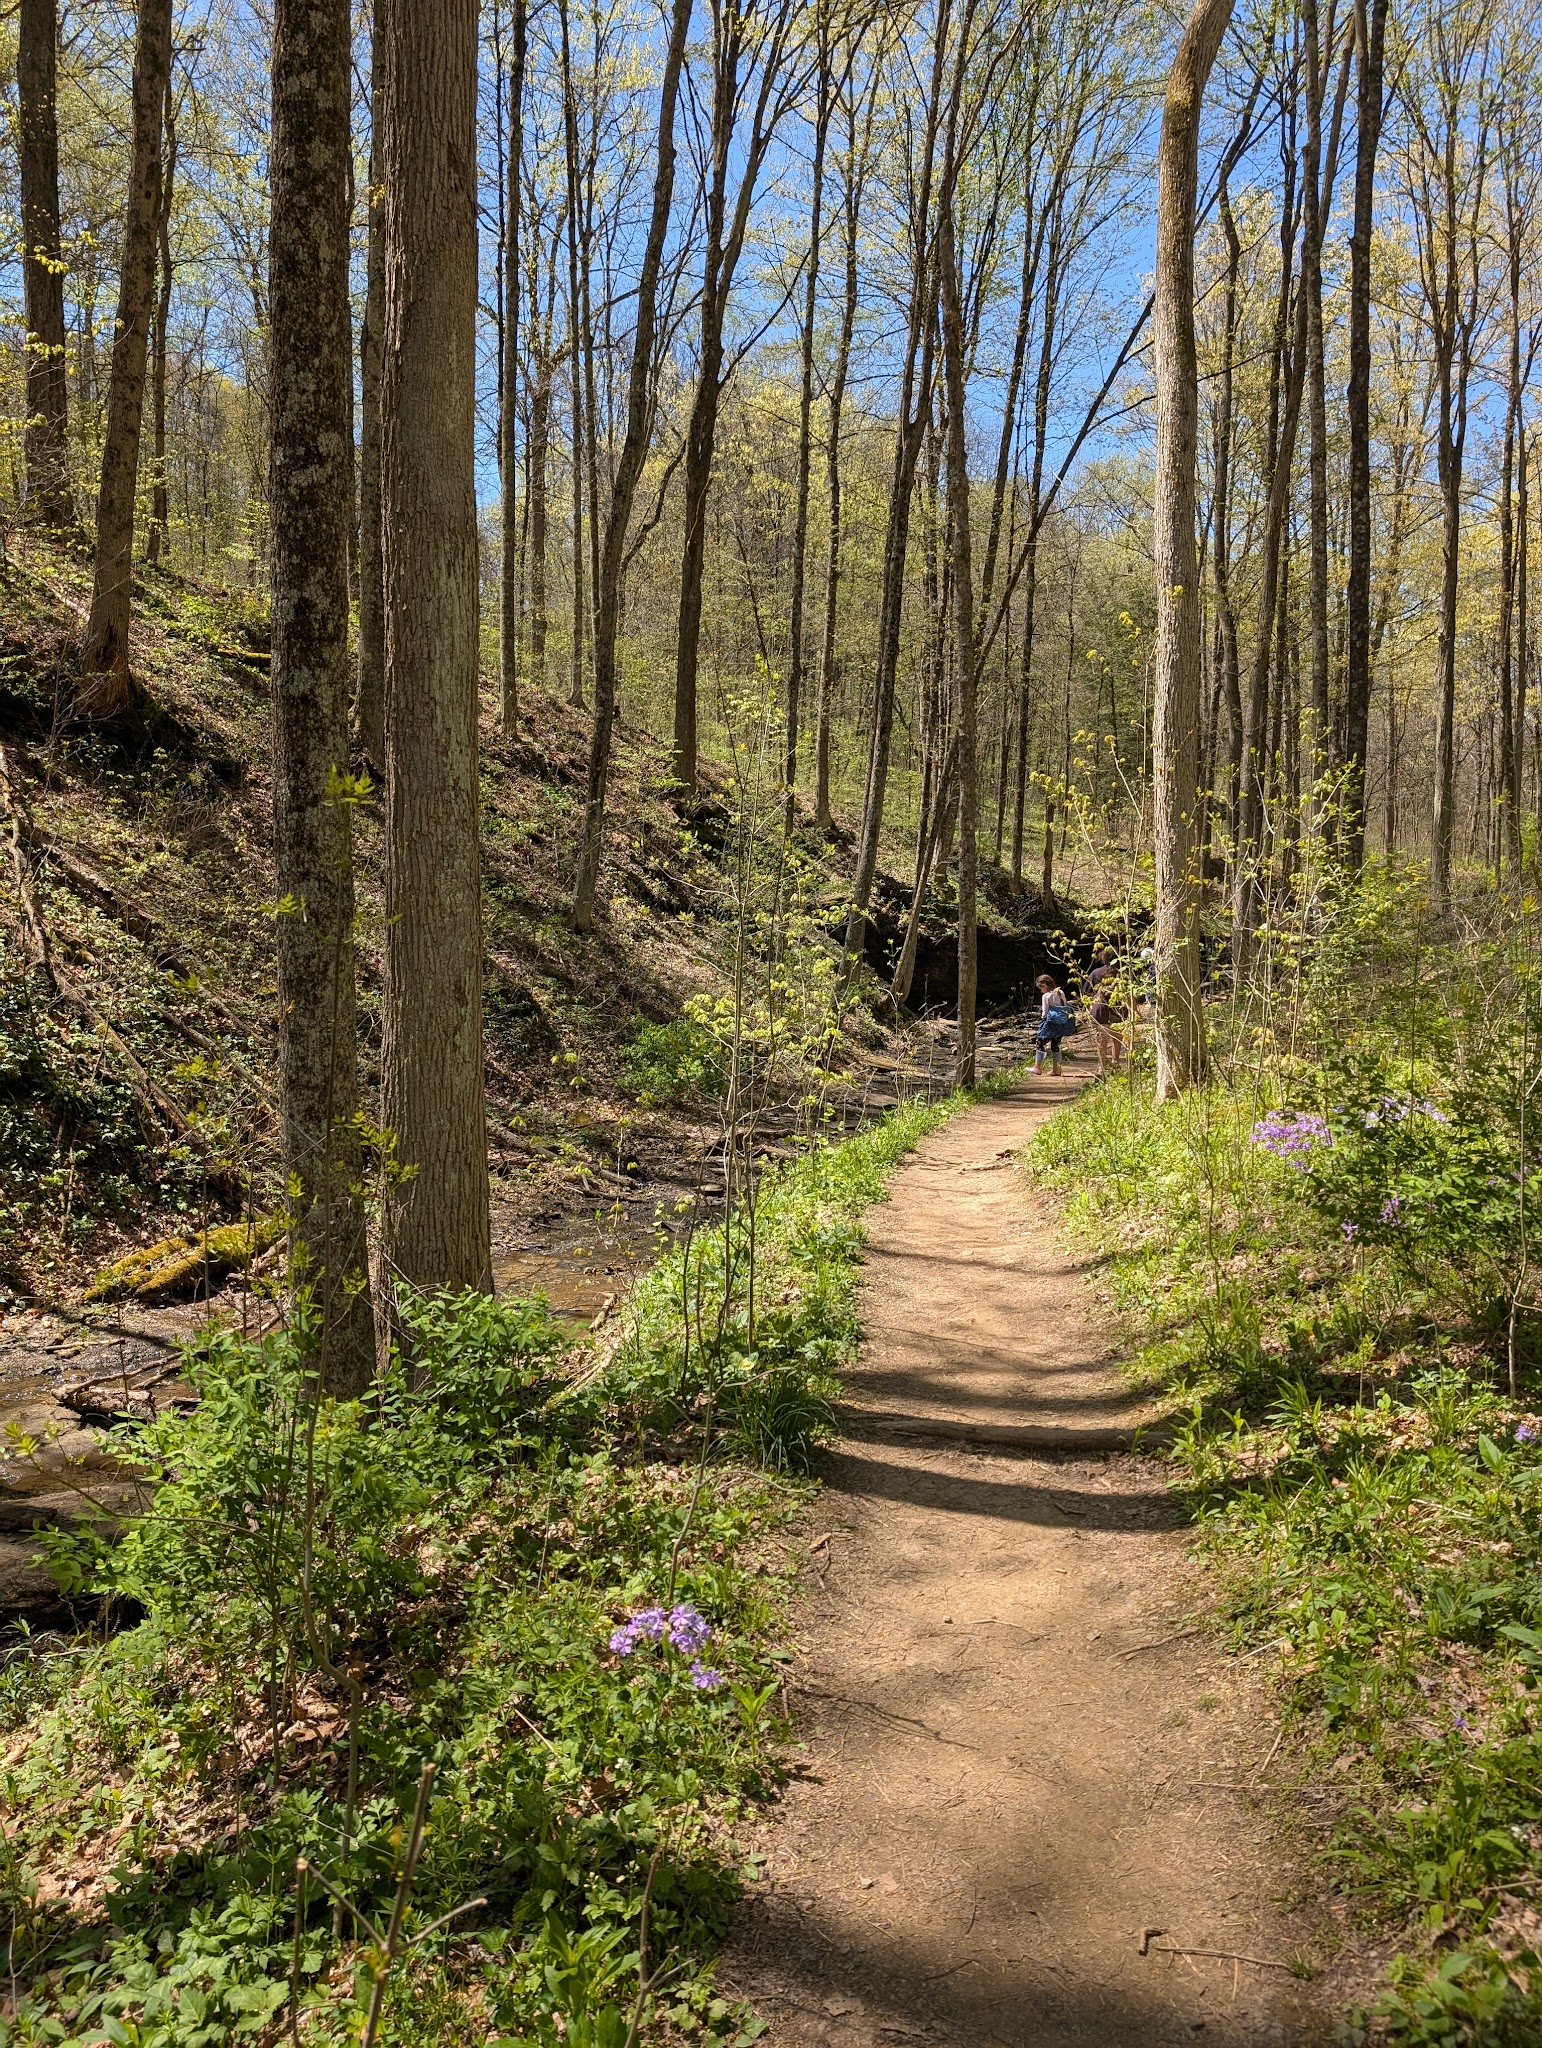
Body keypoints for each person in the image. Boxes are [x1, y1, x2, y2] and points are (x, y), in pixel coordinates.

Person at [1085, 946, 1125, 1075]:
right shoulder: (1122, 973)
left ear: (1103, 958)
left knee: (1101, 1039)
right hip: (1118, 1008)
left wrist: (1090, 1005)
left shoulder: (1095, 973)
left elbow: (1087, 991)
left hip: (1100, 1007)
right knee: (1117, 1037)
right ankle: (1115, 1063)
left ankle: (1101, 1066)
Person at [1034, 972, 1073, 1076]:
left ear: (1045, 985)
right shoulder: (1060, 992)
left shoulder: (1046, 996)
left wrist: (1042, 1017)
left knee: (1040, 1041)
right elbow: (1064, 1005)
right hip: (1061, 1023)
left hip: (1050, 1023)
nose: (1040, 990)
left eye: (1040, 988)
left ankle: (1037, 1067)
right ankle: (1057, 1069)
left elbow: (1045, 1012)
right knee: (1055, 1045)